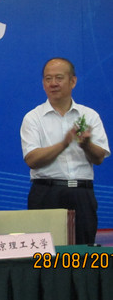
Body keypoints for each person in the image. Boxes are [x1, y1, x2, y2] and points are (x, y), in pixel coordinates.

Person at [20, 57, 109, 245]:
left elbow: (99, 157)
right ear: (43, 83)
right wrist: (64, 144)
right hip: (46, 193)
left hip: (82, 194)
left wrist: (86, 145)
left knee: (84, 252)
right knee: (44, 252)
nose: (53, 83)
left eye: (59, 78)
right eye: (48, 78)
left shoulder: (89, 115)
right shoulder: (33, 118)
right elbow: (32, 159)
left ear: (73, 81)